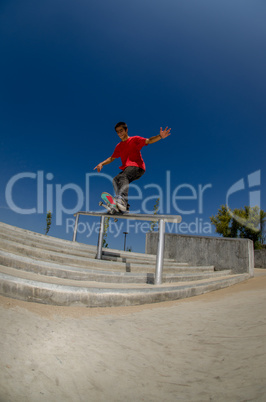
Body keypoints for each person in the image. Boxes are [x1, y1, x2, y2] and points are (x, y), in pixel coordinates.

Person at [94, 122, 171, 211]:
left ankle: (122, 200)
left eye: (121, 131)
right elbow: (112, 158)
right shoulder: (119, 146)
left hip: (138, 167)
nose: (120, 133)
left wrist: (160, 136)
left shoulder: (134, 139)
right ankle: (123, 205)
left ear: (126, 130)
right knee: (116, 179)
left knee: (123, 176)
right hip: (128, 169)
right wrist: (101, 163)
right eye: (118, 132)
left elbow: (149, 141)